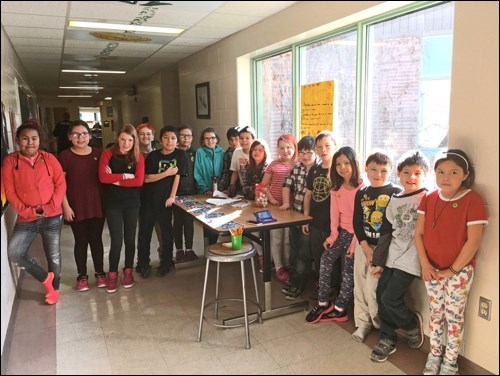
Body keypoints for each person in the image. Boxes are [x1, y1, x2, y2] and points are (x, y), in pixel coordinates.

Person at [414, 149, 488, 375]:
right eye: (441, 172)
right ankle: (434, 355)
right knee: (436, 314)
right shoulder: (428, 198)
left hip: (459, 272)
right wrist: (426, 265)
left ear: (465, 175)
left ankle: (450, 362)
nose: (446, 177)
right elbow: (419, 235)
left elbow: (474, 241)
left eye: (454, 172)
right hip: (431, 269)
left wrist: (452, 270)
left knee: (454, 317)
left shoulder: (473, 199)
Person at [368, 150, 430, 362]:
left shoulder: (428, 198)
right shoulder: (394, 200)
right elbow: (386, 234)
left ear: (425, 176)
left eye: (417, 173)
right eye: (406, 172)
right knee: (381, 295)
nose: (411, 177)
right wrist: (379, 262)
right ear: (398, 173)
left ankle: (411, 324)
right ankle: (387, 339)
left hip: (412, 259)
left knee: (390, 298)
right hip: (392, 257)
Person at [2, 119, 66, 304]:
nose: (30, 142)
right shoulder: (10, 161)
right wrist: (27, 211)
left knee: (53, 254)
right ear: (17, 140)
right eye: (25, 138)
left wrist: (49, 206)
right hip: (26, 218)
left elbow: (60, 183)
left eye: (34, 138)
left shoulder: (49, 159)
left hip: (52, 215)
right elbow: (10, 190)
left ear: (40, 140)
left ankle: (54, 290)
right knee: (15, 252)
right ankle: (46, 279)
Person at [305, 146, 363, 323]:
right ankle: (323, 303)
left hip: (357, 237)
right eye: (338, 164)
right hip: (342, 233)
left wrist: (355, 243)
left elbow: (361, 220)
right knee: (325, 259)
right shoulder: (336, 188)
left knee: (348, 271)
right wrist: (332, 235)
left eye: (346, 163)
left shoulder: (363, 188)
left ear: (354, 163)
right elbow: (334, 214)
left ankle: (340, 308)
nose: (342, 167)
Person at [351, 150, 402, 342]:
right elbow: (357, 222)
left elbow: (392, 227)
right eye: (373, 169)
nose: (378, 174)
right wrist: (365, 247)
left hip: (383, 249)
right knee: (359, 285)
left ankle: (379, 323)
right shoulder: (362, 193)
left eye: (383, 170)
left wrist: (377, 253)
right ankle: (362, 323)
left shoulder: (395, 192)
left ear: (391, 171)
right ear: (366, 169)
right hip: (363, 246)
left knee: (373, 288)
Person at [58, 120, 106, 292]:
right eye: (76, 134)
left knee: (96, 240)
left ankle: (100, 273)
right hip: (75, 206)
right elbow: (60, 184)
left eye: (84, 133)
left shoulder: (99, 154)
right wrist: (66, 207)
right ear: (70, 137)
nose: (81, 137)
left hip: (97, 204)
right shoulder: (64, 156)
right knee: (81, 241)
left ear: (90, 135)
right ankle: (82, 276)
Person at [136, 125, 188, 278]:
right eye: (165, 137)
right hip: (148, 200)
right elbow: (146, 178)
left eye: (173, 138)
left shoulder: (181, 155)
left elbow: (178, 177)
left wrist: (172, 197)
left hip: (165, 201)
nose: (169, 141)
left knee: (166, 234)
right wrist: (166, 173)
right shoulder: (153, 156)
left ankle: (166, 262)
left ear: (177, 141)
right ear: (159, 140)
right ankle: (143, 263)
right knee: (144, 234)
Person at [99, 124, 145, 293]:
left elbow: (139, 181)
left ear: (135, 141)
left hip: (132, 203)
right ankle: (112, 274)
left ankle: (128, 272)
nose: (126, 143)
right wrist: (125, 176)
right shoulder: (108, 153)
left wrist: (115, 179)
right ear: (117, 138)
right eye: (123, 139)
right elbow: (103, 177)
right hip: (113, 203)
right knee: (116, 240)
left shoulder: (138, 156)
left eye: (130, 140)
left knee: (130, 239)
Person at [301, 131, 341, 299]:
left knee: (334, 261)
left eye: (327, 146)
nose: (323, 150)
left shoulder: (340, 170)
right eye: (319, 147)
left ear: (335, 147)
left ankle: (335, 290)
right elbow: (308, 195)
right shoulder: (315, 170)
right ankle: (322, 287)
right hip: (316, 223)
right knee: (318, 256)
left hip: (335, 226)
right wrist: (306, 217)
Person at [281, 135, 317, 299]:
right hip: (294, 215)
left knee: (303, 254)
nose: (305, 156)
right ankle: (294, 280)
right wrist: (286, 203)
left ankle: (298, 285)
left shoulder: (320, 170)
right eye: (301, 152)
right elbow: (286, 185)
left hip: (308, 219)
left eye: (309, 152)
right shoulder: (297, 167)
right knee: (294, 251)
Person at [261, 134, 298, 283]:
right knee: (276, 238)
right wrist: (272, 199)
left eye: (289, 147)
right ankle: (278, 267)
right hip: (275, 207)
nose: (285, 151)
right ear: (277, 149)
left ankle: (288, 265)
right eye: (282, 148)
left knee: (288, 239)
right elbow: (263, 185)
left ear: (294, 148)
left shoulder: (298, 164)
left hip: (292, 209)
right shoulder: (273, 165)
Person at [241, 138, 271, 272]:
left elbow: (265, 188)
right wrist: (257, 189)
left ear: (265, 152)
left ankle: (268, 259)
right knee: (252, 229)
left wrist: (256, 189)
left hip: (267, 204)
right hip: (251, 203)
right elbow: (245, 188)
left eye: (260, 150)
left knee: (264, 231)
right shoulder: (248, 167)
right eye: (254, 150)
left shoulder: (268, 167)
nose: (257, 152)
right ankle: (260, 256)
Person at [136, 122, 163, 266]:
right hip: (141, 199)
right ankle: (143, 262)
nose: (145, 136)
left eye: (148, 134)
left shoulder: (159, 154)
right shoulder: (133, 154)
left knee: (162, 232)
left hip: (158, 198)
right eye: (142, 134)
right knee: (144, 233)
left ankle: (164, 258)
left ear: (153, 136)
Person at [194, 127, 224, 245]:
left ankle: (216, 244)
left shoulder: (222, 152)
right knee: (206, 218)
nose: (210, 140)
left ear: (216, 139)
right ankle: (208, 244)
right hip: (205, 191)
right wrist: (204, 188)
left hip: (219, 192)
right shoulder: (200, 152)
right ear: (202, 140)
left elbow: (225, 170)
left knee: (218, 217)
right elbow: (197, 172)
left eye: (212, 138)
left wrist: (221, 188)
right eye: (206, 138)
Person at [174, 125, 198, 262]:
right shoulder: (174, 153)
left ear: (192, 138)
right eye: (182, 135)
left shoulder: (195, 153)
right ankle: (178, 249)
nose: (185, 138)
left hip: (191, 193)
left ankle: (189, 248)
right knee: (177, 222)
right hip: (176, 193)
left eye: (188, 136)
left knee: (189, 222)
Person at [228, 126, 256, 197]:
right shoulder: (237, 152)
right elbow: (235, 172)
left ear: (253, 139)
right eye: (241, 138)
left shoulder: (257, 152)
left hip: (256, 189)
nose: (244, 140)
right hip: (243, 190)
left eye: (247, 138)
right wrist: (231, 187)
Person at [218, 126, 241, 192]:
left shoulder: (246, 151)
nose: (234, 142)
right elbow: (226, 173)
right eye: (231, 140)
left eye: (236, 139)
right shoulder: (228, 154)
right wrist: (220, 189)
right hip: (232, 185)